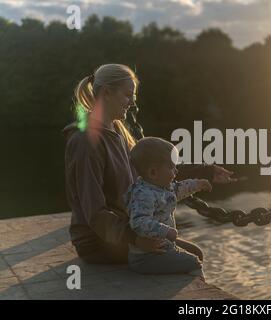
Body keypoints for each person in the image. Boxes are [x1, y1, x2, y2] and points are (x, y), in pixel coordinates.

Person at [63, 63, 235, 264]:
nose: (131, 103)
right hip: (98, 242)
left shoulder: (117, 131)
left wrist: (206, 171)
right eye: (127, 96)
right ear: (108, 93)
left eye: (133, 98)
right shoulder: (85, 141)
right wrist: (135, 239)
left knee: (195, 252)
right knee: (192, 258)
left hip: (126, 231)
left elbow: (153, 172)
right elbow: (93, 211)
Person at [126, 137, 212, 276]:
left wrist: (197, 184)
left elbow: (178, 189)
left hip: (162, 247)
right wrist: (165, 231)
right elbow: (139, 222)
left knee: (196, 253)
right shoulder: (144, 194)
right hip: (146, 256)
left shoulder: (161, 187)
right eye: (171, 167)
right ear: (153, 172)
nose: (176, 171)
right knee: (194, 262)